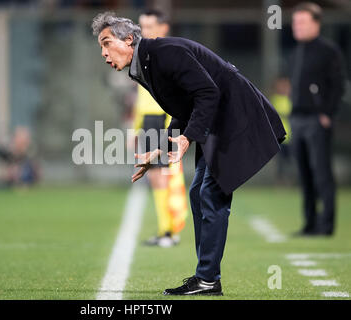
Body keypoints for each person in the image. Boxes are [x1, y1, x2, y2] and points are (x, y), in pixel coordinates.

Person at [92, 12, 285, 296]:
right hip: (218, 120)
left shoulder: (164, 53)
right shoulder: (147, 60)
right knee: (198, 193)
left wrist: (187, 138)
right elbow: (183, 106)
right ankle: (206, 277)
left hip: (234, 117)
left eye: (106, 43)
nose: (103, 53)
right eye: (101, 47)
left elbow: (207, 92)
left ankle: (207, 279)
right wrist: (166, 146)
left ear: (129, 39)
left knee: (211, 193)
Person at [132, 9, 188, 248]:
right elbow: (141, 97)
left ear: (164, 28)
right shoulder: (143, 54)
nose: (144, 32)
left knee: (166, 175)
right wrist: (135, 129)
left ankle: (171, 230)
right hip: (148, 120)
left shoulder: (167, 53)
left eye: (150, 26)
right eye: (142, 26)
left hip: (164, 120)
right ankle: (165, 228)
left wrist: (171, 125)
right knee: (155, 176)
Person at [289, 3, 346, 236]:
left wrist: (327, 113)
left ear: (317, 23)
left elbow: (338, 85)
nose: (298, 26)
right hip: (297, 119)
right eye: (295, 22)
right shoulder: (296, 52)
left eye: (303, 22)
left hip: (316, 120)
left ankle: (326, 225)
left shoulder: (328, 51)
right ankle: (310, 223)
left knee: (322, 173)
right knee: (304, 173)